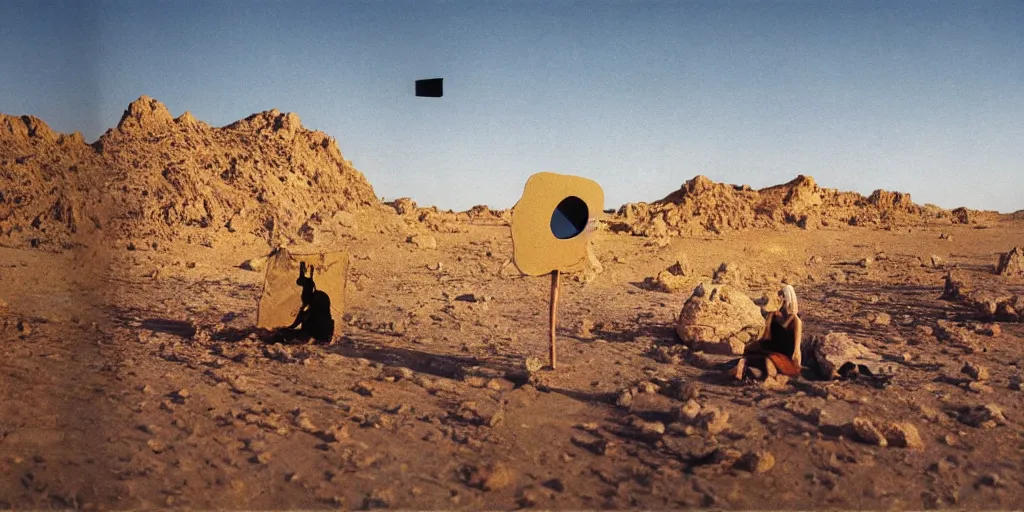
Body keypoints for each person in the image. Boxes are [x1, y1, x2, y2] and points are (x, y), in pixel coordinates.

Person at [732, 284, 803, 380]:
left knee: (769, 359)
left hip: (784, 353)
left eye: (781, 295)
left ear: (787, 297)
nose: (779, 297)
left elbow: (796, 348)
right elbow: (765, 336)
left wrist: (797, 362)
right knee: (748, 354)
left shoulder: (796, 320)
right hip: (771, 348)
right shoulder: (772, 315)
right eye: (779, 295)